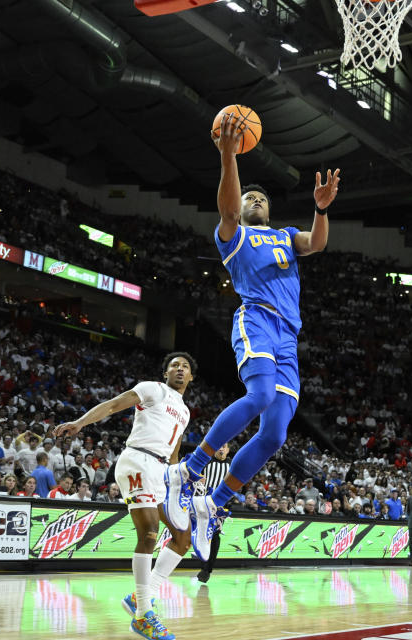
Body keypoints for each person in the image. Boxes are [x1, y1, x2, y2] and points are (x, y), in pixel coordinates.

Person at [161, 111, 341, 560]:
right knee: (259, 396)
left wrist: (320, 208)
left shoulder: (284, 236)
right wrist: (227, 155)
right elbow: (227, 205)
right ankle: (188, 471)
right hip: (256, 319)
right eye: (250, 196)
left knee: (276, 434)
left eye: (262, 197)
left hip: (288, 338)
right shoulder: (234, 235)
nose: (255, 199)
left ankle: (212, 504)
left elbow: (317, 244)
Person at [56, 352, 196, 640]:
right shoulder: (153, 389)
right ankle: (144, 615)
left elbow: (174, 451)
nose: (180, 369)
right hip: (138, 460)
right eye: (174, 366)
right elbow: (113, 405)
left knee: (183, 536)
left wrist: (177, 477)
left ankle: (141, 596)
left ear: (191, 376)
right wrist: (81, 423)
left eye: (185, 367)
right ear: (165, 372)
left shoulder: (185, 411)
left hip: (160, 470)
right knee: (149, 535)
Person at [197, 443, 231, 585]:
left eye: (224, 446)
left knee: (215, 534)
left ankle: (207, 570)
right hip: (203, 501)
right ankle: (202, 559)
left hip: (221, 505)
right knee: (201, 532)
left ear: (228, 450)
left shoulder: (232, 465)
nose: (221, 448)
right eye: (219, 446)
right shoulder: (207, 462)